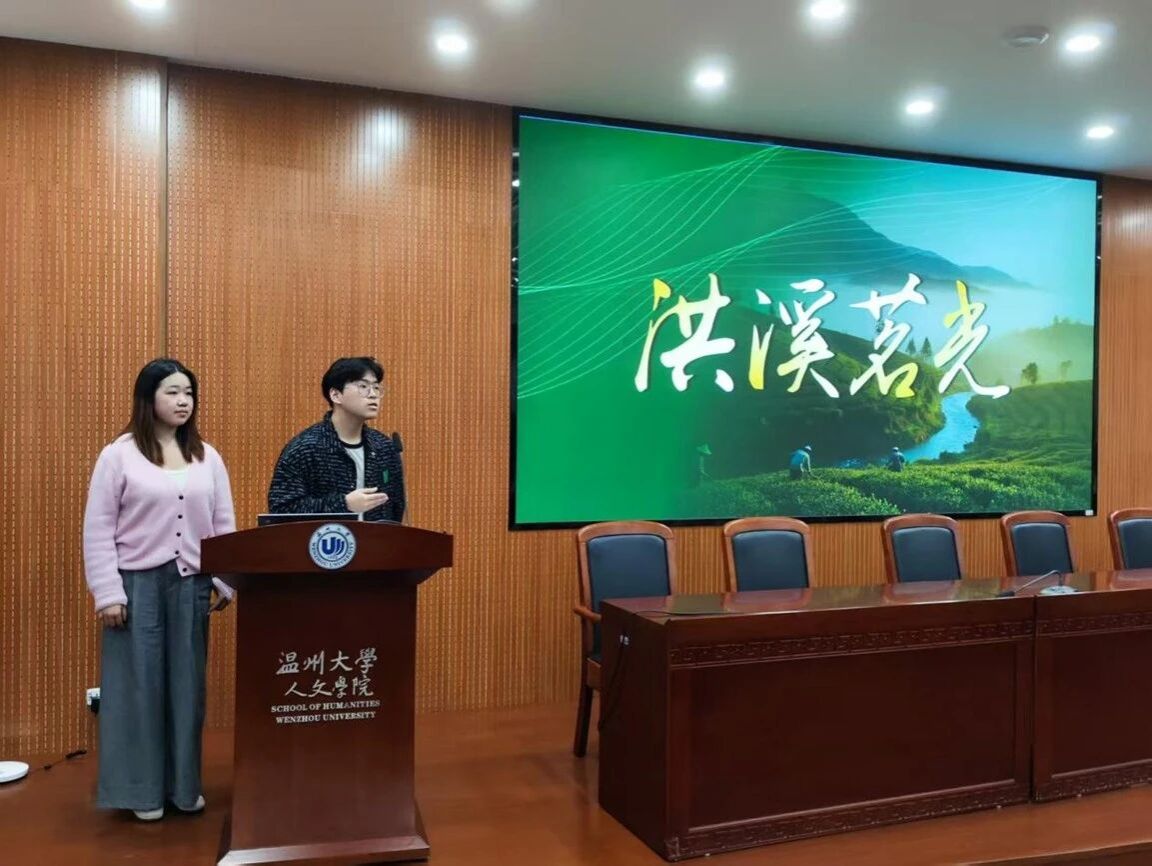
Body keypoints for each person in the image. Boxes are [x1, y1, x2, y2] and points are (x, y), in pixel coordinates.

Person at [83, 358, 236, 822]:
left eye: (188, 393)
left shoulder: (207, 456)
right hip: (137, 587)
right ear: (147, 398)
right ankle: (142, 792)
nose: (183, 401)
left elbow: (223, 523)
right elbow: (98, 528)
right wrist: (108, 593)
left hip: (192, 584)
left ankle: (183, 789)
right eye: (172, 392)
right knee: (138, 689)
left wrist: (226, 578)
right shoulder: (118, 455)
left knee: (188, 690)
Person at [268, 357, 406, 522]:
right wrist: (344, 504)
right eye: (363, 386)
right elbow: (281, 511)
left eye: (376, 388)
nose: (373, 395)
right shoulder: (305, 448)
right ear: (336, 395)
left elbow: (396, 509)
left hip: (375, 538)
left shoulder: (385, 447)